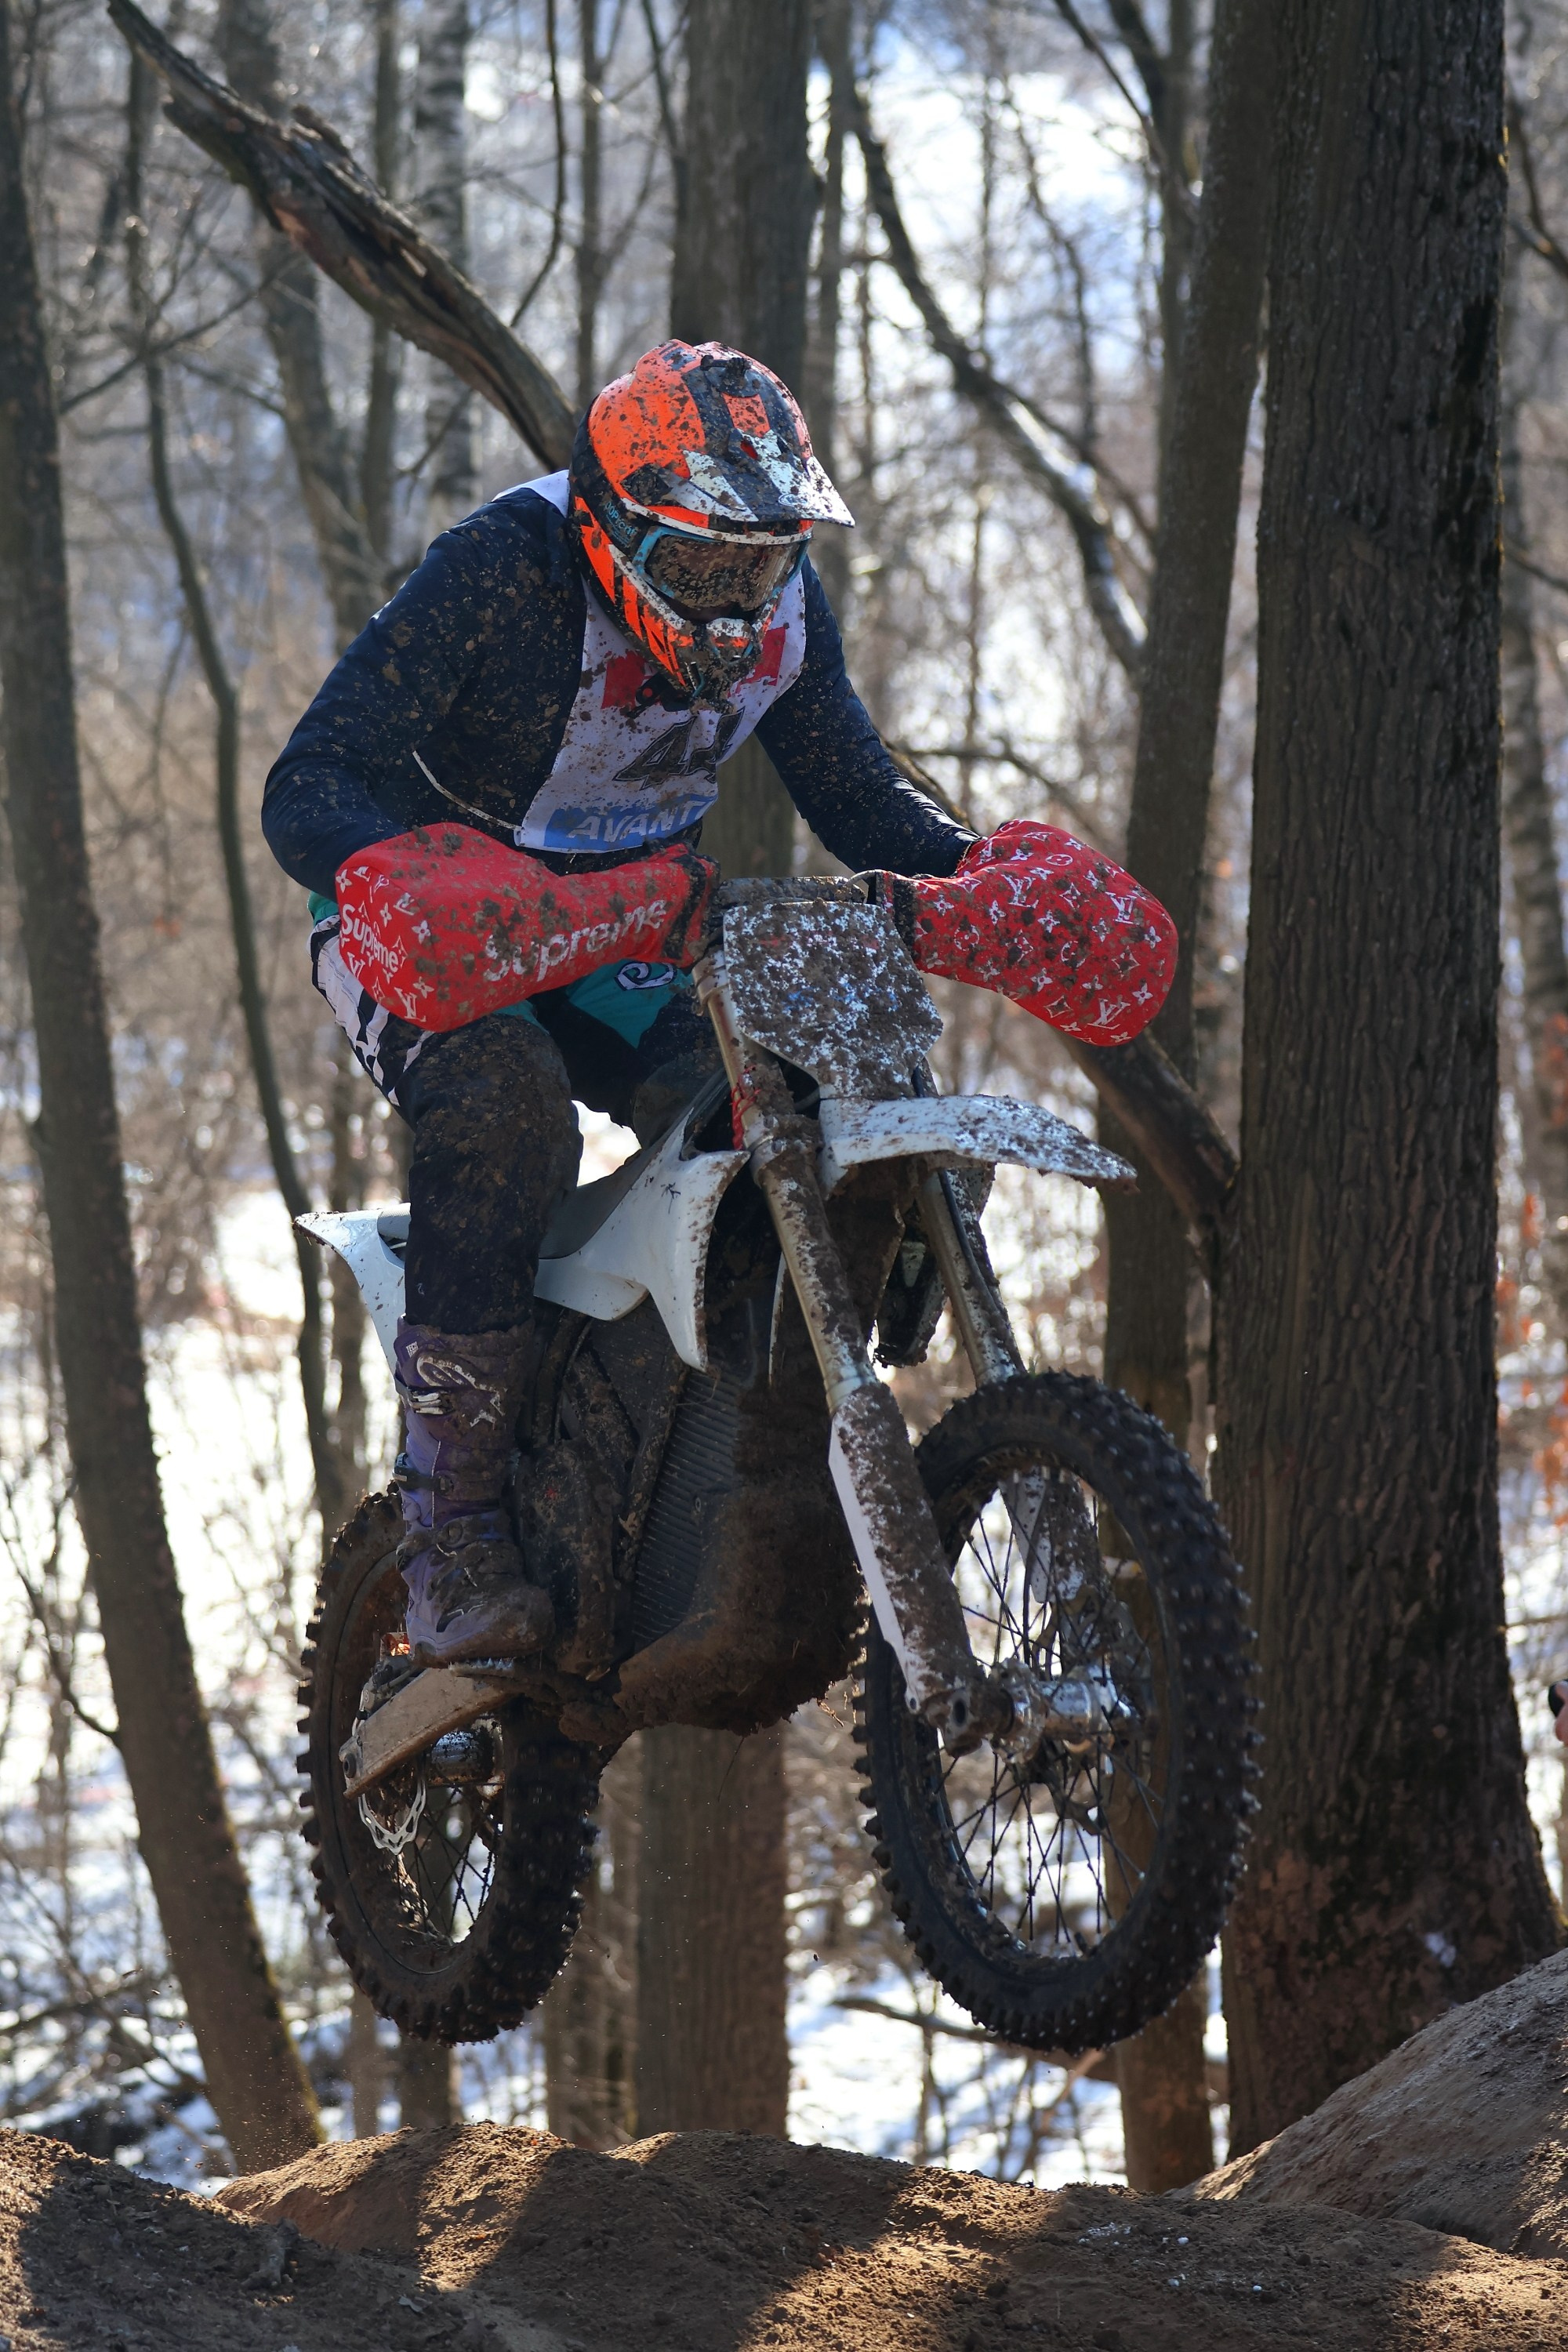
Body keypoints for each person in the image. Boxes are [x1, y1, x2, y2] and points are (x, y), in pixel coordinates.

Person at [263, 339, 1171, 1671]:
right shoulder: (502, 573)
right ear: (615, 525)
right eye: (705, 564)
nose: (739, 601)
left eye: (764, 561)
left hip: (634, 929)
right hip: (436, 930)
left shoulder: (786, 627)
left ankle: (683, 1451)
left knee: (784, 1103)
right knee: (509, 1112)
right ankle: (452, 1522)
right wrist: (396, 871)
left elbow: (861, 800)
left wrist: (986, 881)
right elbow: (310, 778)